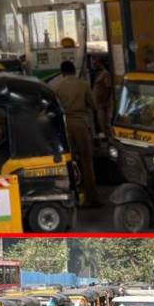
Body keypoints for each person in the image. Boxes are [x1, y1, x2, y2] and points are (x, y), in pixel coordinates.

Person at [50, 60, 100, 207]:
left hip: (65, 127)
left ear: (62, 72)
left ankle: (72, 197)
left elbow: (53, 109)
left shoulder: (56, 86)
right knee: (86, 161)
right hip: (81, 125)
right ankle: (92, 198)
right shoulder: (83, 84)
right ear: (73, 70)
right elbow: (93, 105)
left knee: (69, 161)